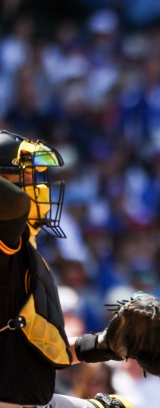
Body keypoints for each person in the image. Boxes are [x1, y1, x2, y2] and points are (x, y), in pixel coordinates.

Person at [0, 130, 133, 407]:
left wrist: (104, 343)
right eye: (26, 177)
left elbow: (46, 347)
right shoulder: (5, 242)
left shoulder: (24, 247)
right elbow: (12, 205)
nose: (40, 187)